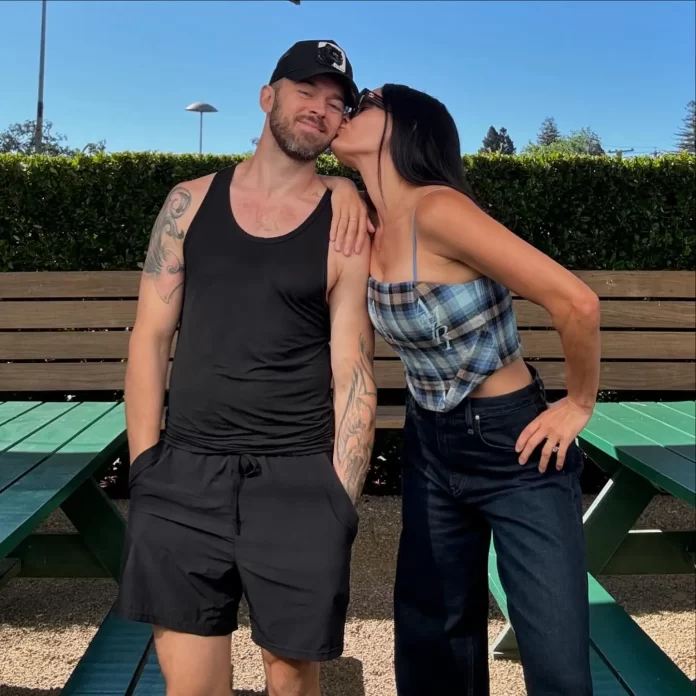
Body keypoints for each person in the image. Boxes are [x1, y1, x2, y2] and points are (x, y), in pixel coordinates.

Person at [114, 40, 377, 696]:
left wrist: (339, 500)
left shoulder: (346, 228)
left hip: (297, 479)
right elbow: (149, 338)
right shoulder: (188, 204)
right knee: (194, 688)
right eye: (305, 91)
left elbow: (353, 367)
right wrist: (146, 468)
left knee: (291, 680)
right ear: (267, 97)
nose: (319, 108)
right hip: (184, 475)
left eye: (335, 102)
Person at [331, 85, 601, 696]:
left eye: (365, 101)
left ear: (405, 126)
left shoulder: (439, 211)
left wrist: (578, 403)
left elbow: (577, 302)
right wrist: (341, 187)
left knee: (555, 657)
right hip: (430, 444)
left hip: (517, 446)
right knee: (432, 647)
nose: (347, 109)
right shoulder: (368, 222)